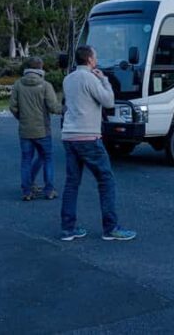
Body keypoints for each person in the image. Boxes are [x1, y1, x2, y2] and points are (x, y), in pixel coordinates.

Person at [59, 45, 136, 242]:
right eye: (96, 56)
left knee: (72, 183)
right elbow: (108, 101)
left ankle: (68, 228)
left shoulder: (68, 79)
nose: (97, 59)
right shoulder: (90, 78)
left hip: (69, 136)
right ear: (90, 60)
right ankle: (110, 228)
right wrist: (105, 80)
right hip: (88, 136)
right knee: (106, 180)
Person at [9, 57, 61, 201]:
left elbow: (12, 107)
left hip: (25, 130)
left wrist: (21, 118)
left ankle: (27, 191)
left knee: (26, 160)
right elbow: (53, 107)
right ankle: (49, 190)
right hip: (43, 130)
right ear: (41, 68)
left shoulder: (18, 84)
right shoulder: (46, 85)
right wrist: (67, 109)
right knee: (48, 158)